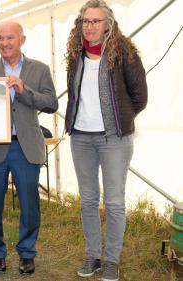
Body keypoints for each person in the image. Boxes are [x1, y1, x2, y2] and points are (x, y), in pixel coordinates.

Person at [64, 1, 147, 280]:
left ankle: (112, 260)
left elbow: (139, 97)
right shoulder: (76, 56)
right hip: (81, 138)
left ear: (108, 24)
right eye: (85, 21)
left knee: (113, 201)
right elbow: (74, 95)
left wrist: (119, 120)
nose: (90, 26)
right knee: (87, 200)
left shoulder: (125, 54)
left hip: (114, 139)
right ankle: (93, 257)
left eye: (96, 21)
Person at [0, 21, 58, 276]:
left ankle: (26, 253)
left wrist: (26, 90)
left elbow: (51, 104)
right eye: (0, 38)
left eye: (10, 38)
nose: (4, 43)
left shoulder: (40, 69)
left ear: (22, 40)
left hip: (26, 147)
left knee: (29, 204)